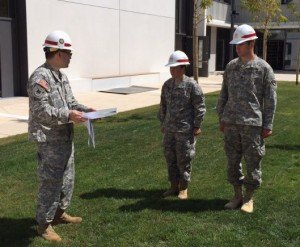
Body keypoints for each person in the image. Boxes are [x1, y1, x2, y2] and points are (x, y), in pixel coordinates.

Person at [27, 30, 95, 242]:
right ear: (56, 52)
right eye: (68, 52)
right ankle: (43, 225)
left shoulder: (61, 77)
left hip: (64, 137)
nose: (71, 56)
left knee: (67, 179)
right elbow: (41, 112)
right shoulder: (40, 78)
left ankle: (58, 214)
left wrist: (87, 110)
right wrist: (68, 114)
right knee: (50, 183)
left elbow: (71, 103)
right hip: (50, 141)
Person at [217, 24, 277, 213]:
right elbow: (223, 94)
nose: (237, 47)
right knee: (233, 162)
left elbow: (271, 99)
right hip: (231, 123)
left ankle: (249, 199)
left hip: (252, 125)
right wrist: (222, 117)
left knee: (252, 163)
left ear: (251, 43)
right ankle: (237, 196)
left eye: (241, 44)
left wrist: (267, 124)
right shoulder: (231, 67)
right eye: (236, 44)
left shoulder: (264, 68)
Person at [158, 50, 206, 200]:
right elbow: (163, 106)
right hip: (169, 130)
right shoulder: (167, 85)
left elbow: (200, 107)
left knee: (184, 158)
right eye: (170, 68)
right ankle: (173, 186)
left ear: (183, 67)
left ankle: (183, 188)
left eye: (174, 67)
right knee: (170, 158)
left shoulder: (192, 86)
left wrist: (197, 126)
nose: (171, 70)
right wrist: (163, 122)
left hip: (185, 130)